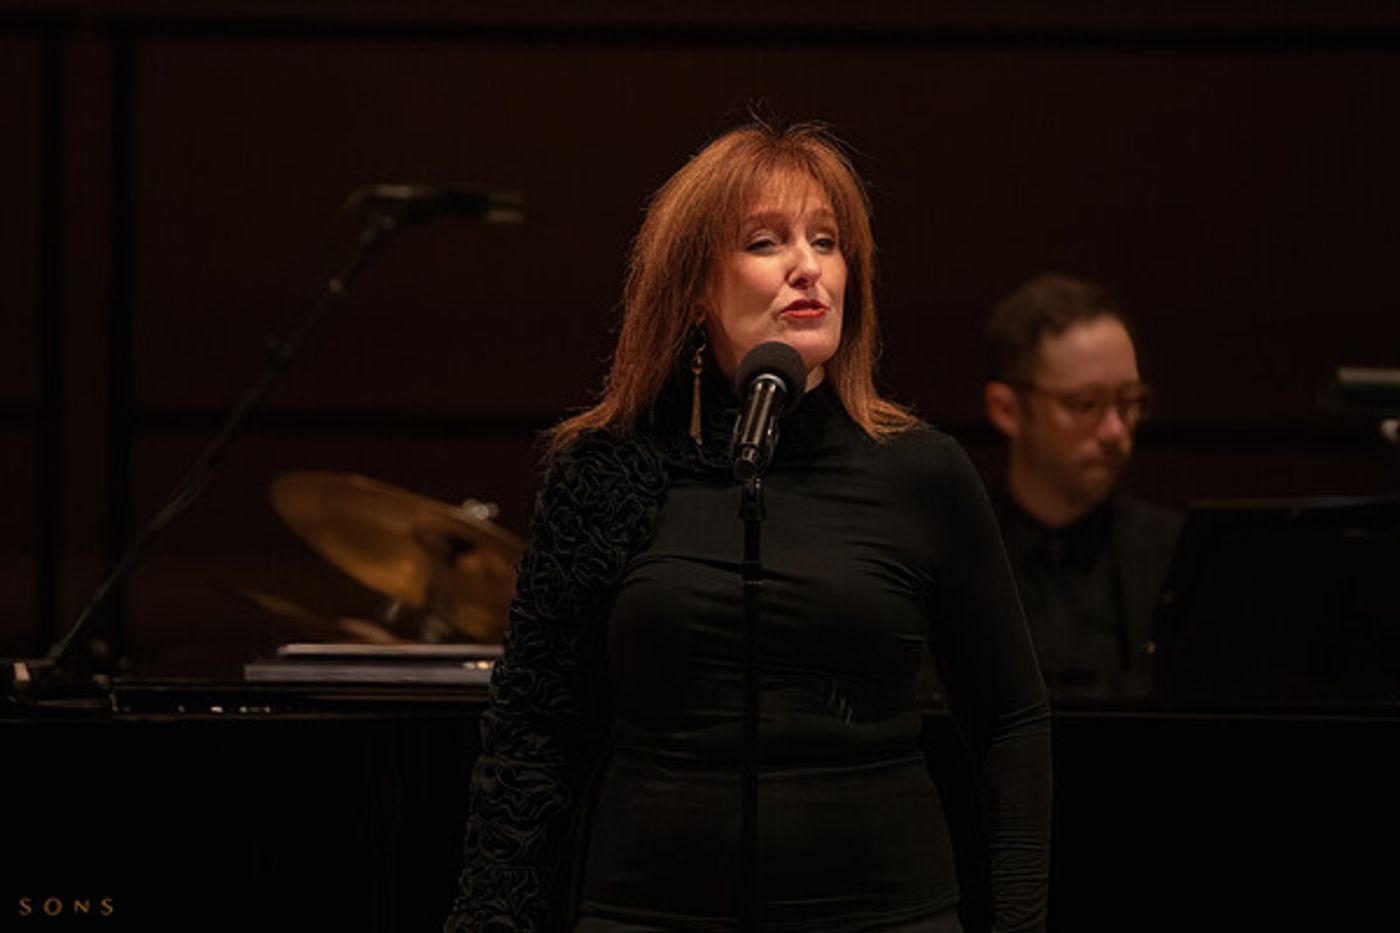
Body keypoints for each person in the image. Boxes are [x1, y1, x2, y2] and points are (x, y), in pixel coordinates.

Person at [446, 121, 1052, 933]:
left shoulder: (921, 471)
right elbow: (535, 731)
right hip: (648, 913)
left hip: (882, 915)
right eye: (765, 241)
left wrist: (1019, 922)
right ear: (695, 287)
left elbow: (1011, 719)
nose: (809, 266)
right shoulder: (607, 467)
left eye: (827, 240)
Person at [982, 274, 1182, 700]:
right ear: (1006, 409)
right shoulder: (952, 554)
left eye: (1129, 401)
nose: (1114, 431)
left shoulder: (1177, 556)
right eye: (1085, 404)